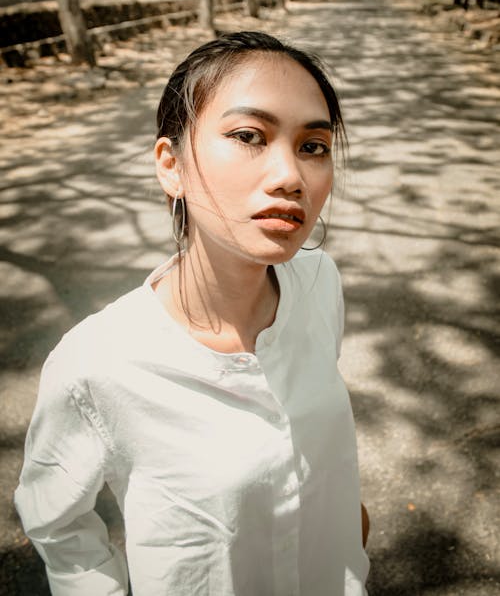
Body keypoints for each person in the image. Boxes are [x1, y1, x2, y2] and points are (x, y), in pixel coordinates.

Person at [15, 31, 370, 595]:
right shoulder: (96, 364)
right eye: (249, 136)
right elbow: (58, 527)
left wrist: (345, 528)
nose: (290, 177)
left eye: (313, 146)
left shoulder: (320, 282)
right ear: (170, 165)